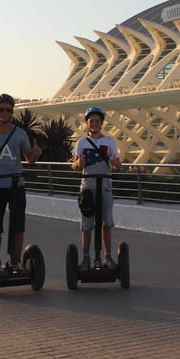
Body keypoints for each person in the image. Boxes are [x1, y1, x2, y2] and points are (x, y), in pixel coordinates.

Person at [0, 93, 41, 268]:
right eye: (1, 109)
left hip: (16, 184)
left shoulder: (20, 133)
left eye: (8, 110)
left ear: (12, 112)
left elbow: (30, 159)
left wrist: (36, 153)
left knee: (18, 225)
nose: (5, 112)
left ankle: (15, 261)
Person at [72, 106, 121, 270]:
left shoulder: (109, 141)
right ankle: (86, 257)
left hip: (105, 186)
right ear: (87, 123)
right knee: (87, 225)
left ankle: (107, 256)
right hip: (88, 187)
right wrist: (79, 163)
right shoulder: (82, 142)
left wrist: (115, 164)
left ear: (101, 123)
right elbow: (75, 165)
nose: (94, 123)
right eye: (91, 121)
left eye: (97, 121)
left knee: (107, 223)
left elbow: (117, 164)